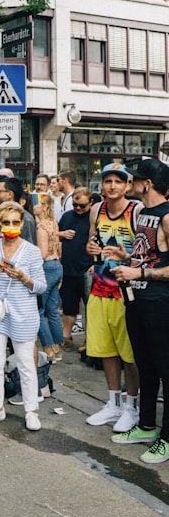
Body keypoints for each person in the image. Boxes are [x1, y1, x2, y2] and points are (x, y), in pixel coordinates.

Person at [111, 159, 169, 463]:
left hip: (161, 304)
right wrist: (126, 257)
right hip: (137, 302)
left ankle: (167, 438)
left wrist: (141, 274)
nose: (129, 183)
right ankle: (146, 425)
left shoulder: (167, 216)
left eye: (134, 179)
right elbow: (148, 254)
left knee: (165, 369)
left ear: (148, 184)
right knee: (144, 365)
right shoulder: (144, 213)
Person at [0, 201, 47, 431]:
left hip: (24, 313)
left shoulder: (32, 251)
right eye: (6, 222)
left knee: (26, 363)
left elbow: (42, 286)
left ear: (22, 223)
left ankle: (31, 410)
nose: (10, 227)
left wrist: (24, 278)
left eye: (15, 222)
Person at [83, 164, 141, 432]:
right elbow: (90, 244)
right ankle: (113, 403)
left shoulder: (137, 211)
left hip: (127, 292)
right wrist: (91, 248)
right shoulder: (97, 209)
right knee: (105, 349)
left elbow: (147, 256)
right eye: (108, 181)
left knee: (129, 353)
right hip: (100, 287)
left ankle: (132, 407)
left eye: (119, 181)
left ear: (128, 185)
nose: (113, 185)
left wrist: (125, 257)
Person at [58, 188, 93, 351]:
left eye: (82, 206)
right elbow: (55, 234)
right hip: (68, 268)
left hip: (87, 268)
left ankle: (90, 339)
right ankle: (66, 336)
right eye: (75, 205)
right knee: (68, 305)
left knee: (90, 307)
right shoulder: (67, 216)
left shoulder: (94, 218)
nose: (78, 208)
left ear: (90, 203)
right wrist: (62, 234)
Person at [34, 194, 63, 361]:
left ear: (44, 207)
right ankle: (57, 347)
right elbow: (58, 247)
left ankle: (49, 348)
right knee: (52, 310)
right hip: (57, 265)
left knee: (39, 311)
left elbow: (42, 254)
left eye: (36, 204)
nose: (34, 207)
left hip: (46, 268)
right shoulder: (53, 223)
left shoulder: (42, 228)